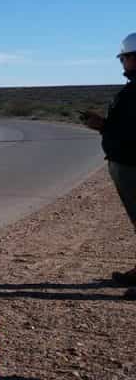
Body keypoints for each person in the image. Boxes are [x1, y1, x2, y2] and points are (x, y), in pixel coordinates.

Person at [82, 32, 136, 299]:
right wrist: (105, 126)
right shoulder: (132, 90)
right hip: (125, 162)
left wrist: (104, 126)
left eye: (124, 58)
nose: (122, 62)